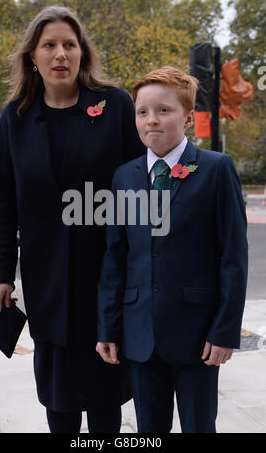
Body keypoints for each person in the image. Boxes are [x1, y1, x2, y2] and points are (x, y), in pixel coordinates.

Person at [0, 5, 144, 433]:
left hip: (108, 273)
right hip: (47, 278)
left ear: (82, 54)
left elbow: (139, 187)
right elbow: (3, 201)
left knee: (106, 391)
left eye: (69, 45)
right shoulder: (15, 118)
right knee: (58, 392)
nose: (61, 54)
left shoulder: (113, 106)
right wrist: (1, 273)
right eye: (50, 45)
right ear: (33, 58)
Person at [96, 66, 248, 433]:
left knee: (199, 426)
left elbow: (233, 257)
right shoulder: (124, 177)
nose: (152, 120)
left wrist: (225, 331)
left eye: (164, 110)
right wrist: (108, 327)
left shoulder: (215, 169)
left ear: (187, 117)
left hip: (198, 336)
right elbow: (115, 257)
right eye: (142, 112)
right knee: (150, 429)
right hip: (140, 335)